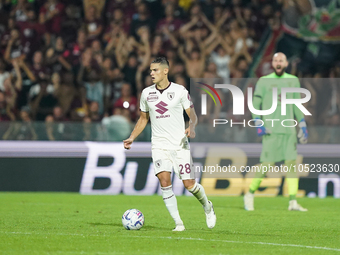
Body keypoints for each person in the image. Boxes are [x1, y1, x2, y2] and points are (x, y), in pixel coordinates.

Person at [123, 57, 216, 231]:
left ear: (165, 71)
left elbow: (192, 114)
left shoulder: (180, 91)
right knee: (164, 181)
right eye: (151, 70)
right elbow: (143, 119)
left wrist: (192, 125)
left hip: (179, 145)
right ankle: (178, 223)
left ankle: (207, 206)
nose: (151, 73)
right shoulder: (146, 94)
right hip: (159, 145)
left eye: (155, 70)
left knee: (190, 185)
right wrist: (132, 137)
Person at [244, 52, 308, 211]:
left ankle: (293, 201)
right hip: (271, 130)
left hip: (289, 131)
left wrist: (302, 123)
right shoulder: (264, 81)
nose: (278, 63)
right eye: (276, 60)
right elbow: (255, 104)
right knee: (266, 165)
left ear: (286, 64)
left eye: (281, 60)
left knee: (291, 165)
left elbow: (295, 104)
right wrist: (258, 123)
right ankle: (250, 194)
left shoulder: (293, 80)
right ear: (272, 63)